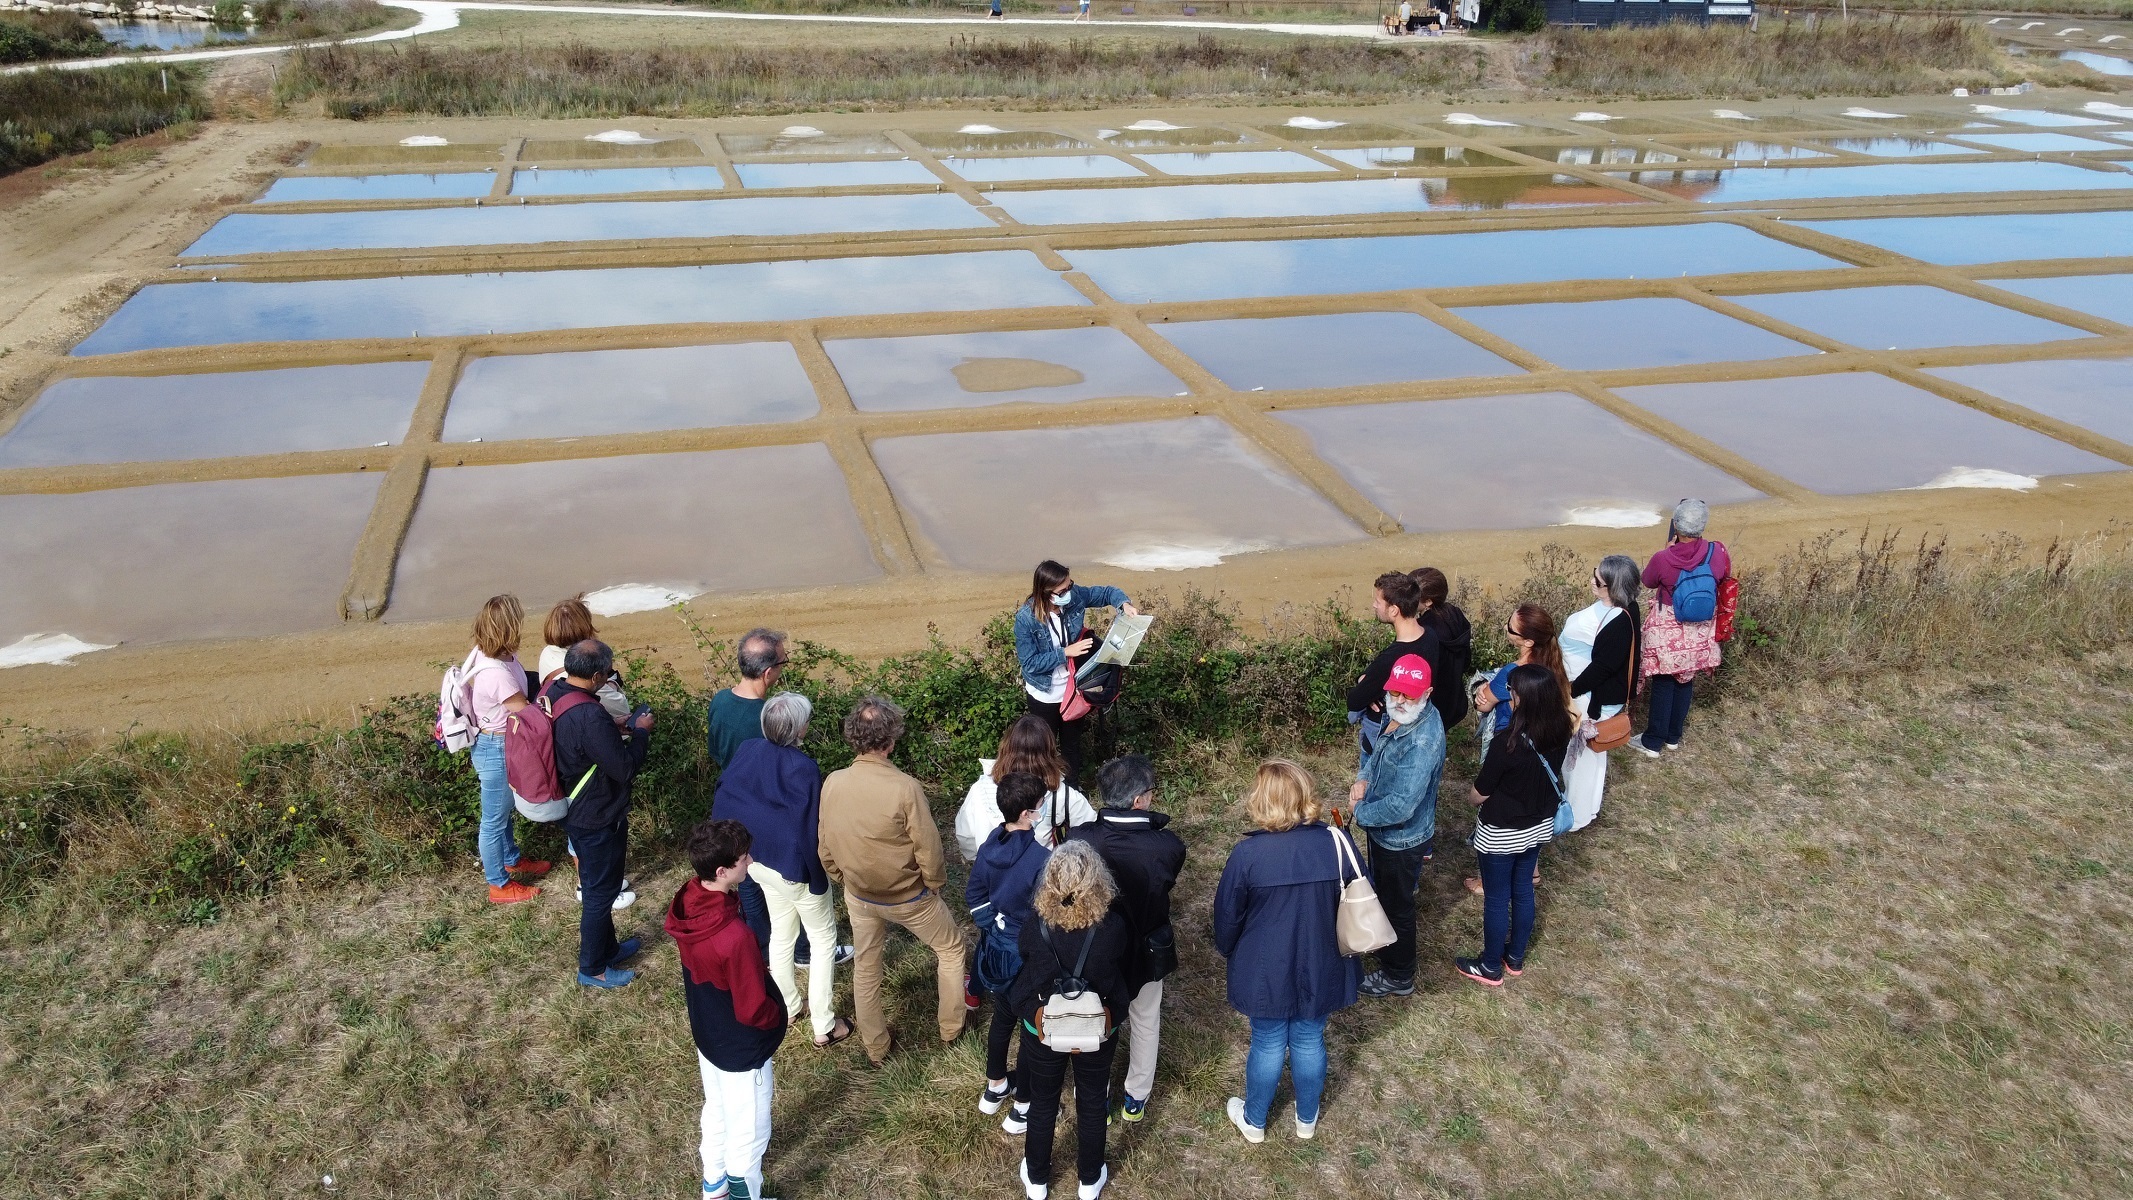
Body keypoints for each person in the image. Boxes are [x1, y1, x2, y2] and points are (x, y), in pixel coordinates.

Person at [1214, 760, 1360, 1144]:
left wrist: (1227, 949)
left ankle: (1255, 1121)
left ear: (1261, 800)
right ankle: (1306, 1119)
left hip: (1266, 967)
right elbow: (1363, 891)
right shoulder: (1336, 841)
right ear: (1305, 794)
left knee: (1267, 1040)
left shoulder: (1248, 855)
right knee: (1311, 1037)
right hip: (1324, 958)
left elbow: (1227, 916)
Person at [818, 695, 968, 1065]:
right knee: (951, 950)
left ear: (854, 738)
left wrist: (841, 877)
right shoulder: (905, 788)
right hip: (908, 897)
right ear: (891, 740)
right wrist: (933, 882)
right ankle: (952, 1028)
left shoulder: (833, 783)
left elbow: (824, 842)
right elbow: (928, 846)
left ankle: (875, 1046)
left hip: (858, 894)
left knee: (866, 967)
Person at [711, 692, 851, 1050]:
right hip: (794, 869)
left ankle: (788, 1006)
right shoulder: (802, 767)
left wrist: (741, 851)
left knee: (782, 933)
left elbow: (724, 797)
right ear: (800, 728)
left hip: (757, 863)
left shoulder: (747, 750)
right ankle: (824, 1024)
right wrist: (819, 877)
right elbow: (810, 829)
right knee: (822, 941)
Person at [667, 818, 786, 1200]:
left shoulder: (688, 901)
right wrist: (775, 1020)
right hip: (740, 1047)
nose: (749, 860)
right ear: (722, 871)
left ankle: (714, 1183)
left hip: (709, 1033)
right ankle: (743, 1192)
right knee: (751, 1131)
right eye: (743, 857)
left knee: (717, 1108)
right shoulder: (734, 938)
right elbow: (753, 1009)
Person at [1008, 841, 1134, 1200]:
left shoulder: (1036, 924)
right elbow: (1119, 967)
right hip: (1098, 1028)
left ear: (1048, 882)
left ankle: (1036, 1177)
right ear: (1099, 881)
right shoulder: (1113, 927)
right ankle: (1090, 1179)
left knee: (1044, 1100)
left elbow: (1025, 956)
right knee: (1093, 1099)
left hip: (1043, 1027)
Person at [1065, 753, 1185, 1122]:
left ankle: (1094, 1097)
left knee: (1094, 1021)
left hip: (1093, 950)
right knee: (1146, 1019)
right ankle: (1137, 1096)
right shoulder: (1167, 845)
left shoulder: (1080, 838)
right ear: (1138, 801)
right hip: (1147, 948)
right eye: (1151, 791)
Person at [545, 639, 654, 987]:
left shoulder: (558, 692)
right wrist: (640, 732)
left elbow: (585, 742)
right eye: (607, 674)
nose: (609, 679)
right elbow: (624, 768)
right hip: (596, 814)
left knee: (600, 888)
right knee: (598, 894)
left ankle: (608, 947)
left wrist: (615, 726)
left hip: (577, 806)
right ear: (595, 676)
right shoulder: (589, 714)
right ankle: (592, 968)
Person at [1456, 665, 1573, 987]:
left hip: (1501, 830)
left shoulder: (1506, 743)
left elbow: (1480, 793)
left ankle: (1490, 965)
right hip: (1539, 825)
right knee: (1522, 889)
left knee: (1496, 897)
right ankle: (1515, 957)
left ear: (1522, 698)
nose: (1510, 696)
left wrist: (1470, 796)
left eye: (1512, 691)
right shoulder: (1561, 728)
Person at [1345, 654, 1445, 1000]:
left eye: (1409, 695)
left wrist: (1361, 812)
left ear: (1428, 692)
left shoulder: (1422, 741)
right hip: (1384, 831)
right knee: (1386, 895)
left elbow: (1402, 805)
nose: (1399, 701)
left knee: (1397, 905)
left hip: (1400, 840)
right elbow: (1377, 752)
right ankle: (1384, 945)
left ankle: (1398, 975)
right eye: (1395, 693)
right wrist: (1363, 779)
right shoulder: (1402, 714)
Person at [538, 595, 636, 912]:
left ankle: (599, 880)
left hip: (571, 751)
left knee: (583, 826)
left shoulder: (550, 656)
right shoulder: (581, 672)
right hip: (589, 758)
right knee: (590, 826)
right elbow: (613, 704)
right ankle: (590, 886)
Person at [967, 772, 1052, 1133]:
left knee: (1002, 1019)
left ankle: (995, 1086)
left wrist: (993, 925)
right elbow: (1047, 912)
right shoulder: (1039, 858)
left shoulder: (990, 844)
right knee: (1032, 1028)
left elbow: (973, 895)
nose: (1043, 808)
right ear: (1028, 815)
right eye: (1040, 805)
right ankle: (1023, 1107)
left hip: (998, 952)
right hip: (1027, 957)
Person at [1013, 561, 1136, 786]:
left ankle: (1072, 790)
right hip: (1045, 695)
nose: (1068, 593)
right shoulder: (1025, 619)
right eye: (1062, 591)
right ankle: (1045, 792)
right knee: (1044, 748)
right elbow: (1030, 664)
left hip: (1074, 690)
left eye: (1070, 586)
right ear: (1046, 592)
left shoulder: (1074, 596)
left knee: (1072, 745)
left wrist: (1124, 604)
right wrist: (1065, 653)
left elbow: (1107, 592)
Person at [467, 594, 550, 904]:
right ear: (507, 630)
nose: (521, 627)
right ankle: (498, 885)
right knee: (493, 820)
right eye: (517, 623)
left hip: (498, 743)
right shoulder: (496, 674)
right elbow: (527, 713)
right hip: (496, 748)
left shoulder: (492, 655)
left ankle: (511, 859)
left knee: (503, 812)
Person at [1637, 499, 1731, 758]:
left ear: (1675, 525)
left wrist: (1667, 552)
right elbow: (1723, 576)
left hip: (1670, 625)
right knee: (1685, 679)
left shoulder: (1664, 558)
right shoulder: (1717, 552)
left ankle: (1653, 741)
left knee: (1665, 680)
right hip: (1700, 628)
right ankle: (1673, 737)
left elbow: (1647, 581)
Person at [1560, 555, 1642, 832]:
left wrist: (1568, 691)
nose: (1592, 581)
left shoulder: (1618, 621)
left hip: (1592, 698)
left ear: (1614, 588)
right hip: (1595, 695)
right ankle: (1588, 808)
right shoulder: (1628, 608)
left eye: (1598, 581)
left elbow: (1603, 668)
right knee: (1594, 754)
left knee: (1580, 756)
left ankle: (1577, 814)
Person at [955, 715, 1098, 859]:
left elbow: (965, 836)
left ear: (1007, 747)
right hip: (1040, 874)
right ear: (1049, 752)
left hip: (991, 872)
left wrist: (979, 859)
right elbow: (1094, 835)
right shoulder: (1063, 795)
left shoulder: (980, 789)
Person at [1345, 571, 1437, 768]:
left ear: (1394, 610)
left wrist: (1365, 684)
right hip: (1416, 727)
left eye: (1378, 601)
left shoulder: (1391, 658)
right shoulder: (1430, 636)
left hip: (1383, 734)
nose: (1374, 605)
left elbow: (1354, 700)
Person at [708, 628, 787, 771]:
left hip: (728, 785)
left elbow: (715, 752)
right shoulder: (769, 717)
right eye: (783, 662)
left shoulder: (719, 700)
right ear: (768, 673)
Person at [1411, 566, 1473, 732]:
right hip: (1454, 697)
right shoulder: (1455, 614)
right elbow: (1466, 657)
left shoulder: (1424, 631)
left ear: (1429, 601)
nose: (1407, 599)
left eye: (1413, 596)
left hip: (1434, 701)